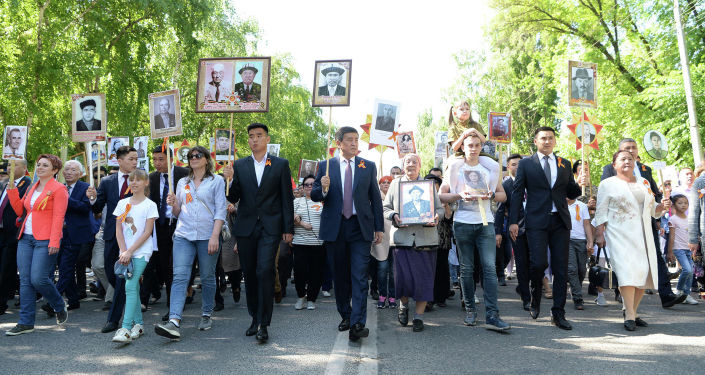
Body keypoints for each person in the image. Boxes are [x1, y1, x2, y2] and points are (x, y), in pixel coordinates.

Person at [311, 126, 384, 342]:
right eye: (350, 140)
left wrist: (378, 227)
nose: (354, 143)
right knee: (340, 276)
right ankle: (346, 314)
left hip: (360, 227)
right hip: (335, 228)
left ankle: (357, 323)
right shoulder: (326, 166)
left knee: (360, 275)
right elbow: (315, 195)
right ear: (339, 142)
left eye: (356, 139)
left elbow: (376, 199)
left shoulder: (367, 166)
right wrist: (323, 188)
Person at [223, 123, 293, 343]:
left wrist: (288, 229)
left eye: (259, 136)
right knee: (251, 274)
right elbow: (232, 197)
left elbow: (286, 199)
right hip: (246, 228)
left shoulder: (280, 164)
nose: (255, 139)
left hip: (270, 228)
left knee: (265, 271)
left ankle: (264, 323)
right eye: (251, 136)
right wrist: (230, 179)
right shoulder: (240, 165)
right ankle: (254, 316)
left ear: (267, 138)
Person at [509, 126, 584, 330]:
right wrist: (514, 221)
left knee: (560, 269)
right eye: (543, 138)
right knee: (539, 263)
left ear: (555, 141)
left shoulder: (564, 163)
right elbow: (517, 193)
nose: (547, 141)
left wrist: (579, 183)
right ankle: (535, 296)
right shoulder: (526, 164)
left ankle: (558, 313)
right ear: (536, 141)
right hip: (535, 220)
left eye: (551, 138)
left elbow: (571, 192)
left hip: (560, 221)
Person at [600, 138, 687, 308]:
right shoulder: (610, 170)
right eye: (626, 149)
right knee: (626, 263)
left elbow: (654, 195)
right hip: (622, 228)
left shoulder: (645, 172)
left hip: (646, 225)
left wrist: (662, 207)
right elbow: (606, 199)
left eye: (633, 148)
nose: (630, 151)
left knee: (653, 259)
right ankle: (625, 298)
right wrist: (599, 231)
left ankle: (666, 294)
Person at [440, 130, 510, 331]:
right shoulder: (454, 168)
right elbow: (441, 196)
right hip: (462, 222)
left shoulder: (490, 169)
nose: (473, 149)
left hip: (485, 222)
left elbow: (502, 195)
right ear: (462, 147)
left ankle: (492, 314)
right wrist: (459, 195)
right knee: (467, 269)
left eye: (477, 145)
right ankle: (470, 310)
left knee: (489, 268)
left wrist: (491, 194)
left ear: (481, 147)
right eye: (469, 145)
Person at [153, 146, 225, 340]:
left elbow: (220, 210)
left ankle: (206, 313)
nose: (193, 158)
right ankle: (174, 320)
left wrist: (214, 236)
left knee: (208, 277)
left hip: (207, 235)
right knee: (179, 277)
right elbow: (178, 213)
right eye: (190, 156)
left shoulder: (217, 181)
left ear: (206, 159)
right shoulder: (182, 181)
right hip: (183, 234)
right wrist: (174, 203)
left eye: (197, 155)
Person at [594, 150, 671, 331]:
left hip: (643, 234)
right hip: (619, 233)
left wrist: (662, 206)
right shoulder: (607, 184)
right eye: (622, 159)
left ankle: (633, 312)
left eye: (630, 158)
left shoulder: (644, 182)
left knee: (643, 273)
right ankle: (629, 314)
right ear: (614, 164)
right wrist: (599, 233)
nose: (627, 161)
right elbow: (600, 211)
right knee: (626, 273)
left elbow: (653, 210)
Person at [5, 154, 69, 336]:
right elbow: (21, 210)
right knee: (25, 281)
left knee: (38, 279)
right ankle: (25, 322)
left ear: (54, 170)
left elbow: (59, 217)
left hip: (46, 239)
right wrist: (11, 191)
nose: (39, 167)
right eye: (38, 164)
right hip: (26, 237)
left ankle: (58, 304)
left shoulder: (59, 189)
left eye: (45, 165)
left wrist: (55, 241)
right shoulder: (32, 187)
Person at [383, 153, 444, 332]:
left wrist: (436, 217)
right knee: (404, 280)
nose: (411, 164)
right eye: (408, 161)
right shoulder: (395, 184)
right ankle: (403, 305)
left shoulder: (428, 185)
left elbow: (439, 209)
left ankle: (419, 317)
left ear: (420, 165)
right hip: (403, 239)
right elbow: (386, 208)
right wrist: (394, 215)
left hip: (426, 239)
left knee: (423, 280)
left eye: (414, 162)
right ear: (403, 165)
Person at [86, 145, 138, 333]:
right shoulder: (107, 182)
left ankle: (113, 320)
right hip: (111, 234)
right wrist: (92, 199)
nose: (134, 162)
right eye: (131, 159)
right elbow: (97, 208)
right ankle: (132, 298)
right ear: (120, 160)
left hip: (133, 234)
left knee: (123, 276)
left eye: (136, 159)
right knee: (110, 271)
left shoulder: (139, 179)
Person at [111, 169, 159, 343]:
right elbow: (118, 229)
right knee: (134, 288)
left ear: (146, 183)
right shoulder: (122, 203)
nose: (134, 183)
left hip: (142, 252)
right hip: (125, 252)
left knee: (130, 286)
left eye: (139, 180)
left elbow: (147, 232)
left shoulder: (150, 205)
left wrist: (130, 251)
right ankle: (138, 324)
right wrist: (124, 251)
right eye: (132, 180)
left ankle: (124, 328)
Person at [145, 145, 189, 321]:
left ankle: (174, 306)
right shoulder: (151, 178)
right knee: (165, 266)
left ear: (170, 159)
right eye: (154, 159)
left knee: (176, 266)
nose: (157, 163)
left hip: (180, 224)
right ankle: (173, 304)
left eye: (161, 159)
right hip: (161, 226)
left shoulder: (184, 174)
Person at [52, 160, 92, 312]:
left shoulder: (86, 187)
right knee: (63, 267)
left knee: (66, 266)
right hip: (59, 233)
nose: (69, 172)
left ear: (80, 173)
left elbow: (86, 208)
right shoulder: (59, 187)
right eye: (67, 169)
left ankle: (53, 300)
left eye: (73, 170)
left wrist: (67, 200)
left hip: (76, 233)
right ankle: (73, 299)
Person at [495, 154, 530, 310]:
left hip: (536, 228)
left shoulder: (532, 182)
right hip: (515, 229)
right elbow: (500, 211)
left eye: (520, 164)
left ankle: (523, 287)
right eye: (514, 164)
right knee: (521, 262)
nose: (517, 167)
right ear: (508, 167)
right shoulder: (506, 185)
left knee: (538, 262)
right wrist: (497, 232)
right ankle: (526, 295)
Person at [0, 160, 30, 315]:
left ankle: (2, 302)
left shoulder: (27, 184)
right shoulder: (5, 183)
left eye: (15, 165)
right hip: (1, 231)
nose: (10, 168)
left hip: (14, 232)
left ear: (24, 168)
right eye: (9, 165)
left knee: (7, 268)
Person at [291, 175, 325, 310]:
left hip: (319, 244)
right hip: (300, 243)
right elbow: (290, 215)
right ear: (303, 187)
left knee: (316, 273)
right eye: (306, 185)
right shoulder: (297, 201)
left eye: (312, 184)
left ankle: (312, 299)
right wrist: (300, 222)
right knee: (299, 272)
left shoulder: (323, 201)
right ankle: (300, 297)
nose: (309, 187)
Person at [668, 194, 699, 304]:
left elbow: (692, 234)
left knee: (691, 272)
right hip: (678, 248)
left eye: (685, 203)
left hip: (688, 249)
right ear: (674, 205)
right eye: (680, 203)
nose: (683, 205)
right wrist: (670, 251)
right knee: (688, 270)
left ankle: (686, 294)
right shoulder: (673, 219)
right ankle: (680, 291)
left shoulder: (689, 218)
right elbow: (671, 236)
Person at [566, 195, 593, 310]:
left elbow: (586, 224)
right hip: (566, 241)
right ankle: (578, 298)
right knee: (572, 269)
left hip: (581, 241)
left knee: (582, 270)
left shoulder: (582, 206)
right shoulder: (560, 205)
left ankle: (575, 288)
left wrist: (590, 241)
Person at [373, 176, 395, 309]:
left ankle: (392, 296)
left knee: (394, 271)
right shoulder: (375, 198)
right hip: (381, 238)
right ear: (379, 185)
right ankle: (382, 295)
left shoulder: (397, 197)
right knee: (382, 270)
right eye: (383, 182)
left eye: (389, 182)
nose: (386, 184)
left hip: (396, 238)